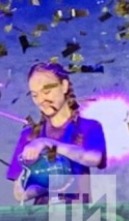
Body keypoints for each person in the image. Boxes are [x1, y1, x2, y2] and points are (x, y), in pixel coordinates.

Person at [7, 62, 107, 204]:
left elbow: (93, 158)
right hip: (42, 215)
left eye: (46, 92)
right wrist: (49, 183)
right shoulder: (29, 135)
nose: (41, 100)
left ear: (64, 86)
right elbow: (19, 194)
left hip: (78, 214)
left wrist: (46, 143)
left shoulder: (89, 127)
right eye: (35, 95)